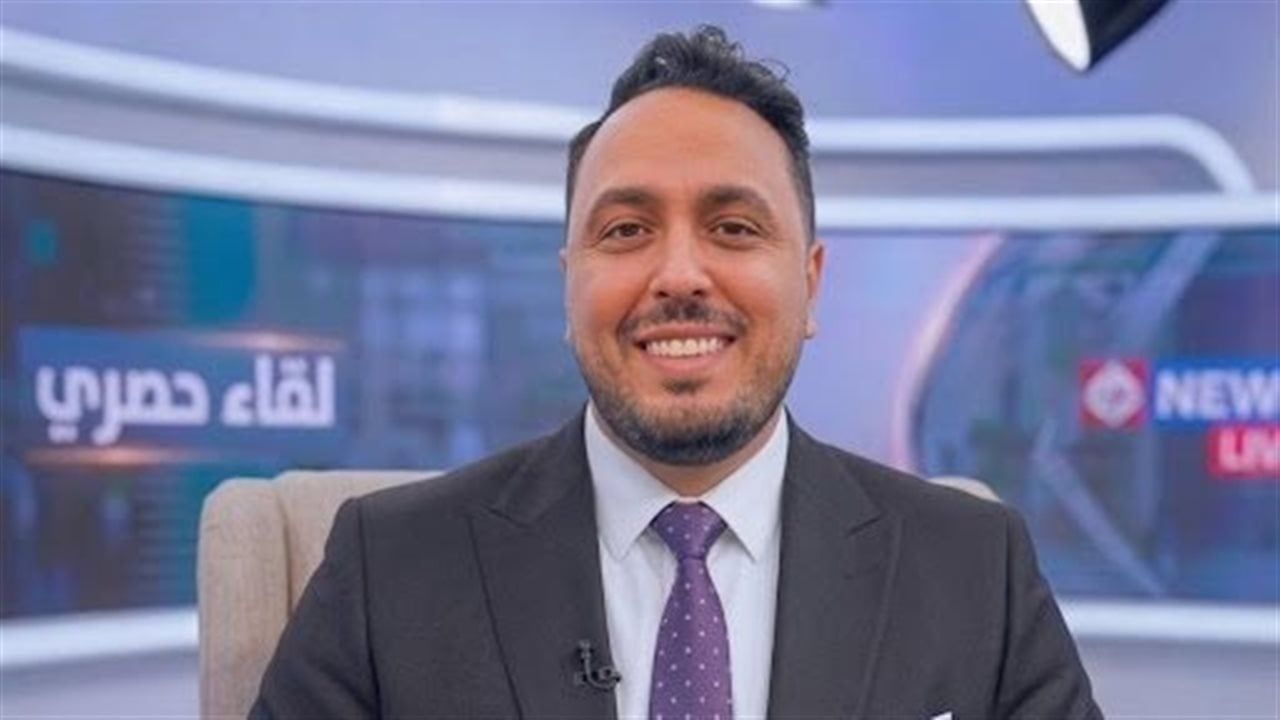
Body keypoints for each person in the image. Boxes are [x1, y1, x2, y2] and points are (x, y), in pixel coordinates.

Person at [251, 25, 1102, 720]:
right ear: (569, 285)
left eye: (733, 228)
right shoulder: (389, 567)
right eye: (626, 231)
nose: (681, 276)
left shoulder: (975, 569)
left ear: (809, 284)